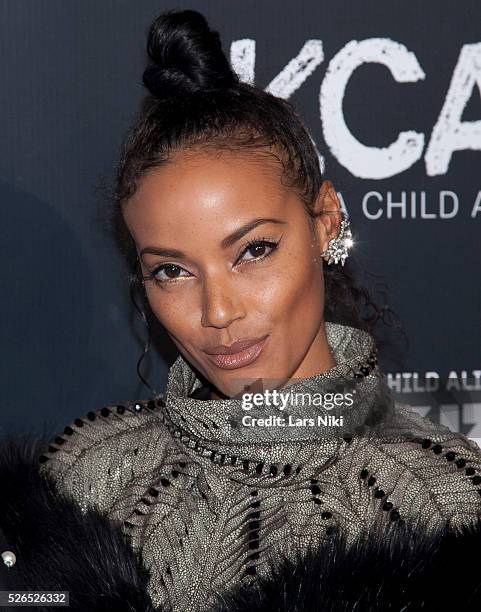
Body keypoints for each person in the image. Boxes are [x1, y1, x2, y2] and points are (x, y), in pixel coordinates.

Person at [2, 9, 481, 612]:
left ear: (324, 221)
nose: (218, 312)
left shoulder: (449, 504)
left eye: (253, 251)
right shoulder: (79, 479)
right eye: (171, 271)